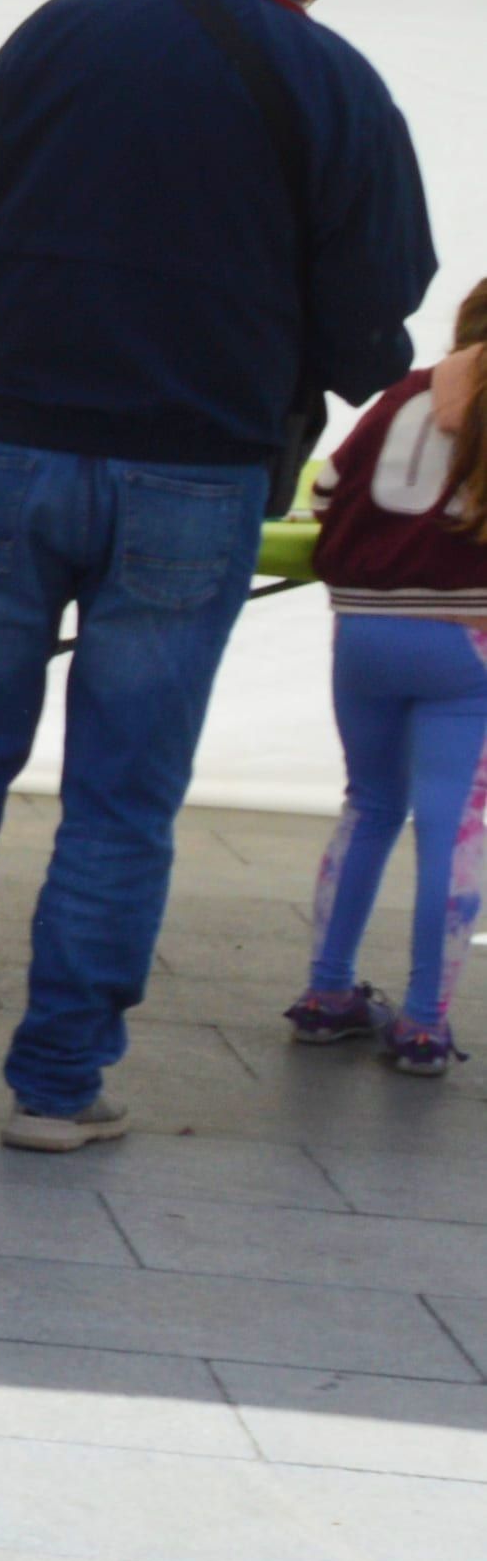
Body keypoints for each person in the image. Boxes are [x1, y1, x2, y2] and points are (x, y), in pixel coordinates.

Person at [0, 0, 436, 1149]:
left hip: (5, 449)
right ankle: (55, 1088)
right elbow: (373, 338)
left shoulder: (62, 36)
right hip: (197, 476)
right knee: (122, 794)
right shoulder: (338, 86)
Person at [288, 287, 487, 1076]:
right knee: (453, 826)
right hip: (466, 640)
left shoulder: (404, 392)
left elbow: (327, 488)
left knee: (370, 802)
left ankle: (326, 993)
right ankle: (423, 1021)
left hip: (364, 630)